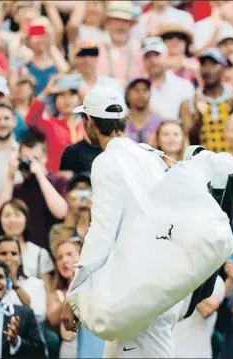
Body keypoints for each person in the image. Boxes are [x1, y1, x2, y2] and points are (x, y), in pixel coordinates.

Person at [62, 86, 191, 358]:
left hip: (143, 288)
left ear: (89, 122)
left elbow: (101, 233)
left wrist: (74, 296)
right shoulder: (149, 155)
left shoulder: (107, 161)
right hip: (154, 281)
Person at [0, 259, 45, 358]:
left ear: (7, 282)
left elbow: (40, 353)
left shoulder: (24, 314)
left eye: (1, 277)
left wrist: (16, 342)